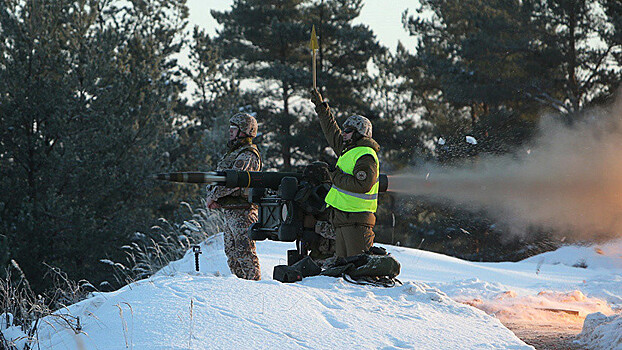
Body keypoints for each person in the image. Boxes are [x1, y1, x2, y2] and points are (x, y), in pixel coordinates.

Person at [310, 88, 380, 258]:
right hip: (344, 220)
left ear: (358, 134)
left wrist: (334, 176)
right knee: (344, 268)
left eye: (348, 131)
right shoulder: (349, 150)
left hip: (356, 222)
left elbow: (362, 184)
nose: (343, 132)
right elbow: (331, 131)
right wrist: (321, 107)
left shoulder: (365, 154)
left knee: (358, 269)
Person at [206, 113, 262, 280]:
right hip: (231, 210)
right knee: (232, 255)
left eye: (234, 129)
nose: (230, 132)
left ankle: (254, 290)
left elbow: (236, 180)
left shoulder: (247, 154)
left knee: (245, 254)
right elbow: (220, 179)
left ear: (245, 131)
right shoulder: (234, 152)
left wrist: (214, 196)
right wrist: (215, 197)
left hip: (243, 212)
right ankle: (238, 291)